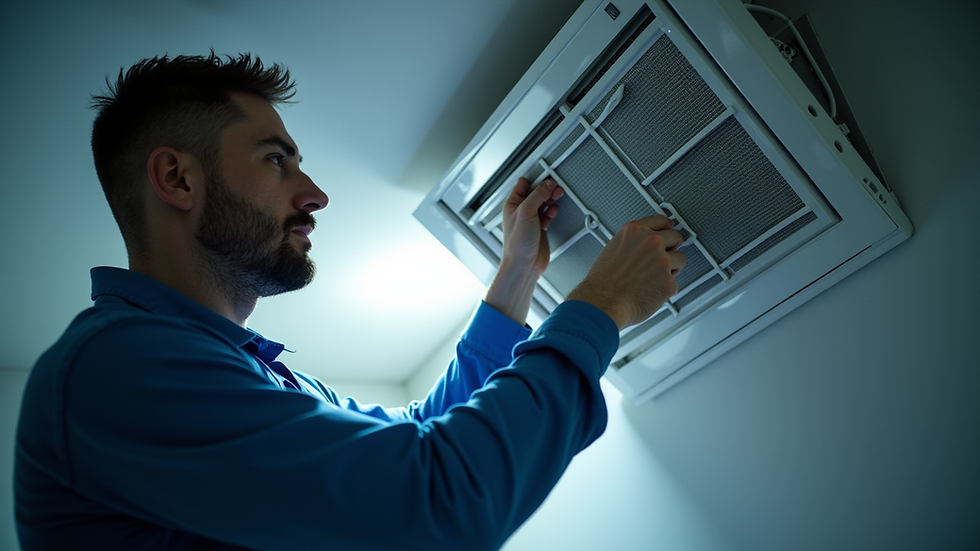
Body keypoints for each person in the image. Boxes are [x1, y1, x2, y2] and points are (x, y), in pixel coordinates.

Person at [14, 53, 686, 551]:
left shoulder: (247, 374)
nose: (315, 195)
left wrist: (514, 277)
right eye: (276, 159)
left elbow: (419, 434)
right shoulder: (116, 366)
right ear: (177, 178)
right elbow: (435, 503)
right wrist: (601, 306)